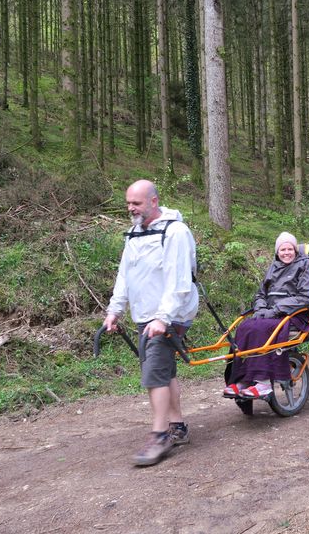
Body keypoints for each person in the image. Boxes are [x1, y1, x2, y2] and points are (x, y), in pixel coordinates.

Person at [103, 180, 199, 467]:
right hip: (146, 315)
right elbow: (125, 275)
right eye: (128, 203)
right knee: (164, 370)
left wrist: (163, 317)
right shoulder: (134, 233)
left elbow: (179, 281)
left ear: (154, 201)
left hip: (171, 314)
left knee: (154, 372)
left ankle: (160, 436)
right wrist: (114, 310)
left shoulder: (176, 232)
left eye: (137, 203)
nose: (131, 208)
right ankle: (177, 427)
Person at [224, 232, 309, 398]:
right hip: (271, 313)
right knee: (245, 327)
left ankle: (263, 382)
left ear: (296, 250)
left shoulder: (307, 265)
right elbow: (261, 293)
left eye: (290, 248)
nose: (286, 252)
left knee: (263, 329)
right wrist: (260, 307)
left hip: (296, 313)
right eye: (282, 249)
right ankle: (243, 379)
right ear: (277, 252)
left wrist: (275, 310)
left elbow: (307, 296)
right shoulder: (273, 267)